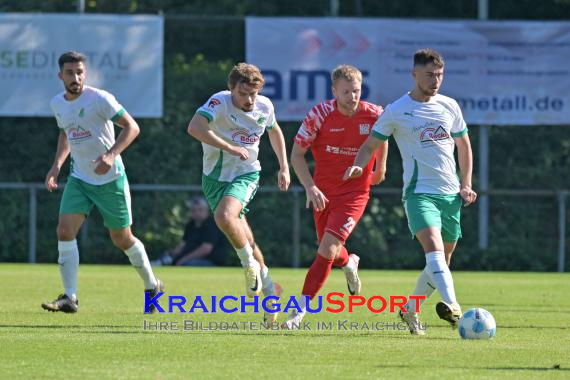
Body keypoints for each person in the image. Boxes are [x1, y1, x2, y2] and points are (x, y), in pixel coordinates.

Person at [345, 48, 477, 335]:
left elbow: (464, 146)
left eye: (439, 75)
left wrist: (466, 184)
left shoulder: (450, 106)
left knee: (441, 262)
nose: (435, 80)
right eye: (429, 75)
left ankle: (409, 309)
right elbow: (370, 144)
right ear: (414, 74)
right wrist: (359, 166)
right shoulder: (397, 110)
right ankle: (454, 306)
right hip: (419, 194)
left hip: (451, 195)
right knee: (435, 252)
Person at [41, 51, 163, 314]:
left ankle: (152, 285)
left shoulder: (100, 99)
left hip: (110, 179)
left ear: (86, 73)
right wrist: (56, 166)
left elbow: (132, 127)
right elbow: (66, 134)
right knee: (64, 231)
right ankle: (70, 297)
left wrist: (111, 154)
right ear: (60, 75)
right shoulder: (57, 104)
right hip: (80, 178)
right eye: (70, 72)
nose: (76, 77)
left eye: (80, 72)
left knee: (122, 238)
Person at [282, 65, 388, 329]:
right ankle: (350, 263)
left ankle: (299, 312)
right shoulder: (319, 115)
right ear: (333, 91)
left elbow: (382, 137)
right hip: (323, 193)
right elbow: (296, 155)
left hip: (354, 193)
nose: (352, 96)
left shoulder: (374, 114)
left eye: (356, 90)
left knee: (327, 248)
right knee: (328, 249)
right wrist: (310, 187)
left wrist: (380, 168)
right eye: (346, 91)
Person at [187, 63, 290, 323]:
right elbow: (195, 127)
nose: (249, 100)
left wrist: (283, 167)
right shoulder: (219, 102)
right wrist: (230, 147)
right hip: (214, 178)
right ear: (231, 89)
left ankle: (248, 267)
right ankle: (269, 292)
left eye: (254, 94)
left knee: (224, 216)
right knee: (244, 235)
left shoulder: (264, 106)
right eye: (243, 94)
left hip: (246, 174)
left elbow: (274, 130)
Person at [152, 196, 229, 267]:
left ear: (206, 211)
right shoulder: (190, 225)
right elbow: (182, 244)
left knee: (186, 264)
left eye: (200, 210)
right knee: (165, 257)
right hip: (189, 257)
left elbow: (205, 249)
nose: (197, 213)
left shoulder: (211, 225)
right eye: (194, 210)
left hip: (211, 261)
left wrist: (183, 260)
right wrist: (171, 254)